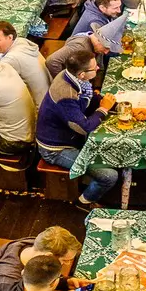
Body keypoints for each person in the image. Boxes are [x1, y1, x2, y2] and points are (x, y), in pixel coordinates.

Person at [35, 44, 116, 206]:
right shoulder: (66, 95)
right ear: (82, 74)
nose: (98, 68)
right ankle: (84, 201)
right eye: (94, 68)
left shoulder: (71, 77)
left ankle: (87, 176)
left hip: (71, 137)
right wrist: (103, 109)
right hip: (56, 149)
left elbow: (87, 100)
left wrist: (112, 104)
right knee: (109, 176)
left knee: (112, 152)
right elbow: (83, 127)